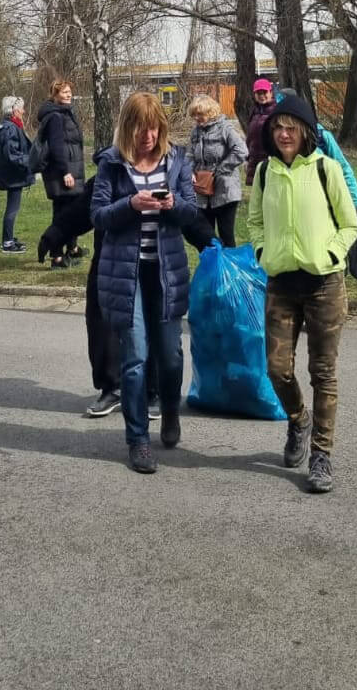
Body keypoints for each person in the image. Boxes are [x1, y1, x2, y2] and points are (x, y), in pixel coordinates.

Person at [38, 152, 215, 419]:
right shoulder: (111, 170)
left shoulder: (167, 169)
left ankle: (152, 391)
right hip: (112, 262)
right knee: (102, 323)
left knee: (156, 326)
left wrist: (212, 244)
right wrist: (55, 232)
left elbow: (188, 215)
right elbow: (84, 210)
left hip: (156, 261)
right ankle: (112, 388)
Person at [247, 95, 357, 494]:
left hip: (324, 284)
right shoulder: (265, 173)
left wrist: (330, 253)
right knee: (277, 369)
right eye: (277, 127)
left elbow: (350, 225)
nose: (283, 133)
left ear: (306, 131)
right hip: (281, 283)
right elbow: (255, 220)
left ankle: (321, 455)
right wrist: (262, 251)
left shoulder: (326, 169)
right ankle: (298, 418)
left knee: (323, 373)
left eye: (291, 126)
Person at [90, 91, 198, 474]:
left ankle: (170, 410)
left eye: (153, 128)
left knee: (170, 355)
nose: (147, 136)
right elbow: (98, 215)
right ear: (128, 128)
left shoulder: (177, 161)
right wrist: (131, 205)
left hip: (165, 271)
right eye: (140, 128)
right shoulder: (111, 164)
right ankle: (137, 439)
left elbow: (191, 210)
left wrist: (172, 206)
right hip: (126, 273)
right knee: (134, 357)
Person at [276, 87, 357, 213]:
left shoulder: (320, 135)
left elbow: (343, 167)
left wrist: (356, 202)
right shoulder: (275, 141)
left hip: (325, 206)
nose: (285, 133)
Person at [37, 79, 86, 269]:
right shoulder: (56, 117)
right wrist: (66, 172)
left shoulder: (65, 113)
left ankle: (70, 250)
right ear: (55, 95)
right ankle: (56, 256)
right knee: (63, 216)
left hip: (70, 170)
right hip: (63, 173)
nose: (68, 95)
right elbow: (57, 147)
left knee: (70, 213)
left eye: (69, 91)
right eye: (64, 92)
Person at [187, 94, 247, 247]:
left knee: (226, 236)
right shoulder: (195, 133)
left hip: (225, 191)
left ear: (210, 112)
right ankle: (211, 269)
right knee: (206, 238)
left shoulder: (225, 129)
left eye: (200, 114)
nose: (197, 118)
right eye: (195, 115)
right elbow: (189, 155)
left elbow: (241, 151)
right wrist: (190, 171)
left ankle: (230, 269)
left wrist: (220, 170)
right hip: (203, 191)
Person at [0, 96, 35, 253]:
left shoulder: (10, 126)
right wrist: (30, 161)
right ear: (15, 111)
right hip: (13, 176)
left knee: (12, 208)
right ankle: (7, 242)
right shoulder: (10, 129)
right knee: (12, 209)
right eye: (21, 108)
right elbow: (12, 155)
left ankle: (8, 238)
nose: (23, 111)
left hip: (13, 175)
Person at [243, 78, 278, 185]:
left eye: (264, 92)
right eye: (258, 93)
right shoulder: (254, 112)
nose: (262, 96)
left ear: (271, 92)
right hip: (254, 161)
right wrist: (247, 158)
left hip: (271, 161)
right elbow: (250, 138)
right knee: (257, 196)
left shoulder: (277, 111)